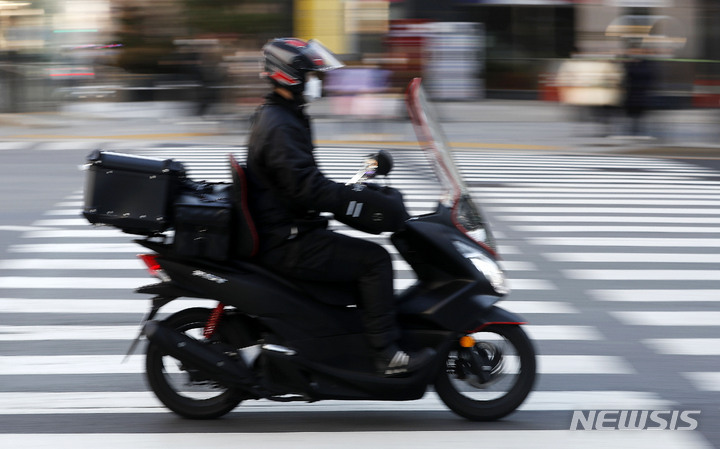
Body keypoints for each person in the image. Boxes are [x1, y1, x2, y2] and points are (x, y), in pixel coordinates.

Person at [244, 38, 434, 376]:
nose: (319, 82)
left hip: (291, 229)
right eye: (312, 75)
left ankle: (351, 345)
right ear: (291, 76)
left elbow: (303, 181)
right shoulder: (280, 125)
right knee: (374, 262)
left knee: (361, 264)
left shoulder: (283, 117)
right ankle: (386, 355)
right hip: (289, 240)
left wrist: (360, 182)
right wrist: (354, 201)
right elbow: (308, 189)